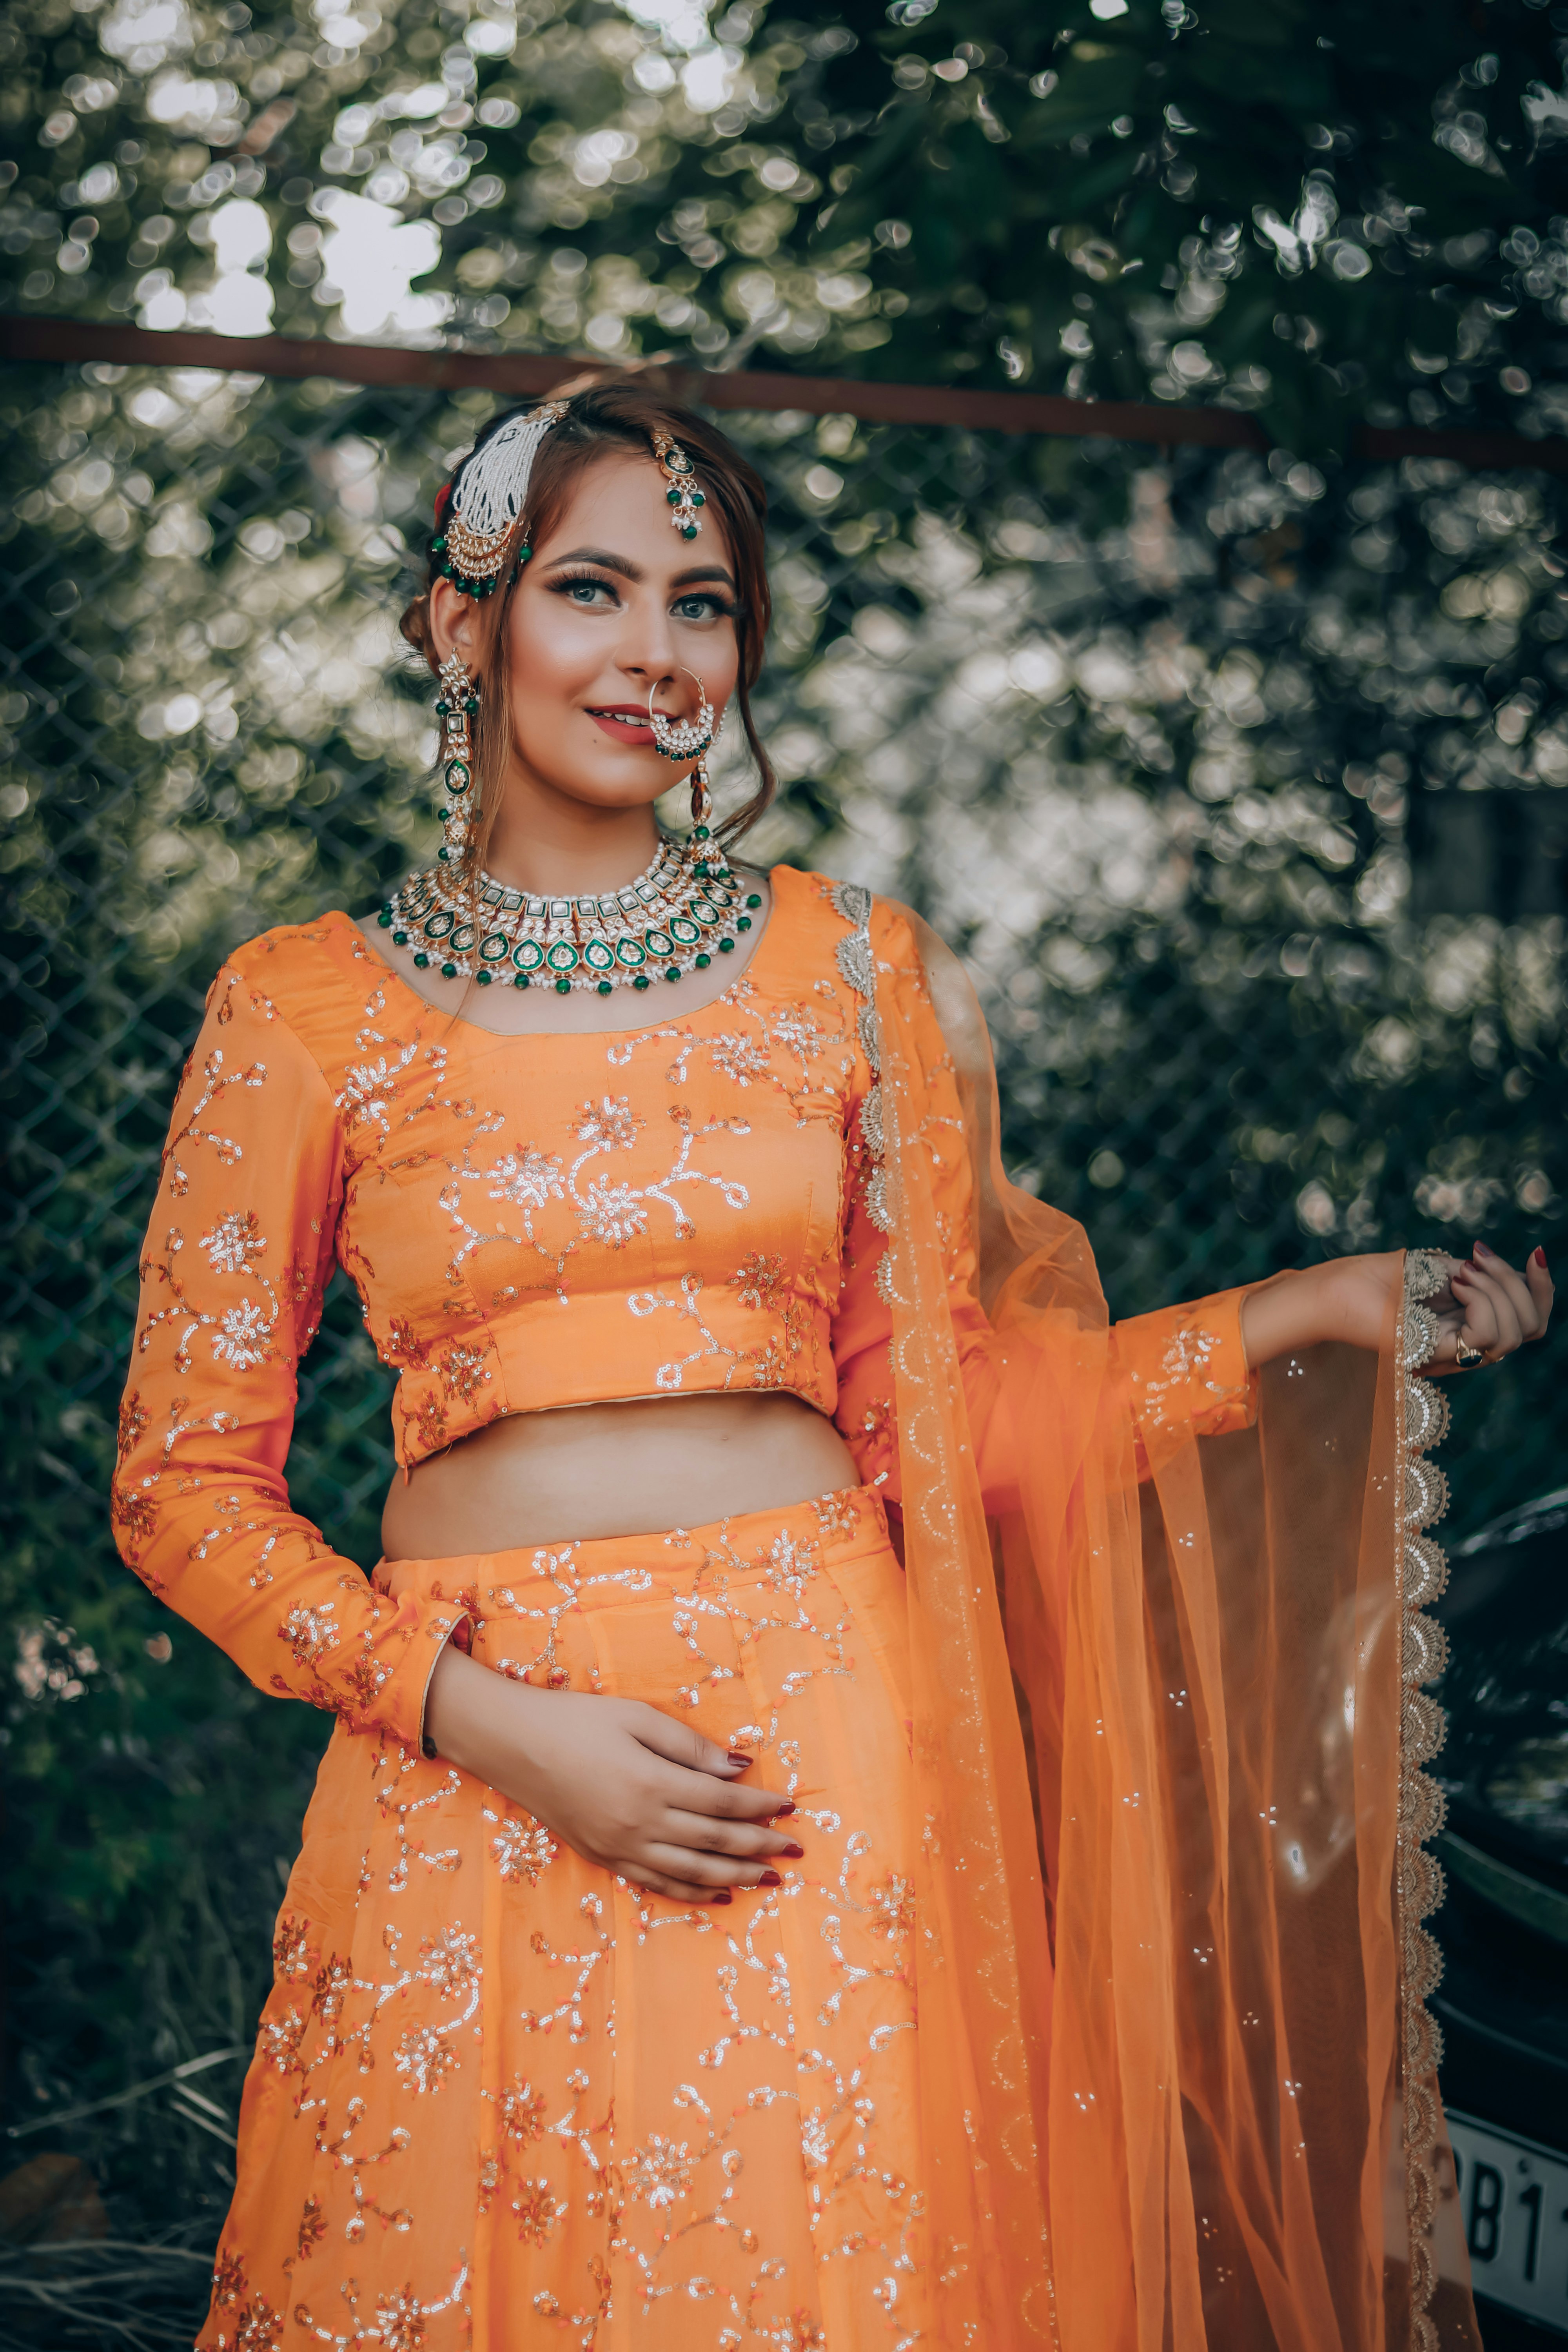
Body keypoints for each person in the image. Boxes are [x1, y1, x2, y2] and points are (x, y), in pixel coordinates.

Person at [113, 383, 1552, 2352]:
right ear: (465, 625)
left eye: (700, 605)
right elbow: (182, 1487)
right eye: (591, 589)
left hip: (819, 1766)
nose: (655, 655)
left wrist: (1301, 1316)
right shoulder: (299, 1009)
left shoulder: (854, 970)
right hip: (477, 1762)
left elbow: (950, 1428)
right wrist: (482, 1722)